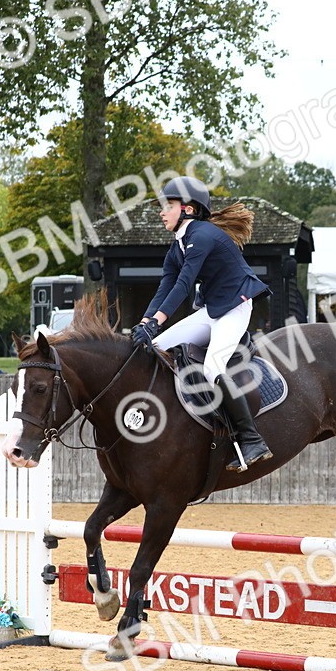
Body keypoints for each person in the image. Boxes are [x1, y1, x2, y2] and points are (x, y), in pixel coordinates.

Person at [131, 177, 272, 471]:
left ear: (189, 210)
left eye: (168, 206)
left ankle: (252, 439)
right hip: (212, 311)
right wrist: (145, 323)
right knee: (156, 347)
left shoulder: (203, 235)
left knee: (212, 367)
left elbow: (183, 286)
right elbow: (165, 287)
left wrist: (157, 321)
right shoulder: (177, 247)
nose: (162, 212)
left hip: (235, 307)